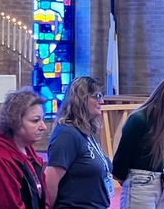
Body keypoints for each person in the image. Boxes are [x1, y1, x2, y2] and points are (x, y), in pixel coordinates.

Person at [113, 75, 164, 209]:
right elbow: (122, 157)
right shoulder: (139, 119)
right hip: (140, 185)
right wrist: (126, 179)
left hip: (162, 183)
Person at [45, 76, 113, 208]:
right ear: (81, 100)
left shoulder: (86, 131)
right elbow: (50, 182)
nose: (102, 101)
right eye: (97, 96)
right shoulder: (67, 135)